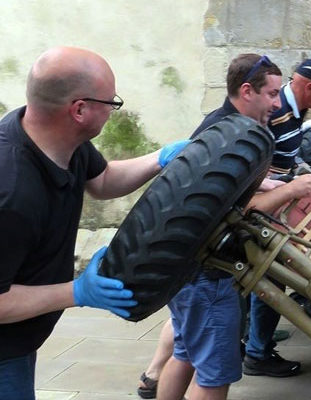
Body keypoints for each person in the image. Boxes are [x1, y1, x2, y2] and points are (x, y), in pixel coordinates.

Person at [0, 46, 189, 399]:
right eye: (111, 102)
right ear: (79, 110)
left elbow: (101, 181)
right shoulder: (11, 191)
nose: (114, 110)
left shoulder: (55, 136)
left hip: (21, 338)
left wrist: (161, 158)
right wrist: (77, 292)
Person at [155, 53, 311, 400]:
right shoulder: (236, 137)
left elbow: (217, 186)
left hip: (181, 263)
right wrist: (292, 188)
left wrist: (266, 182)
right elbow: (240, 209)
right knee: (214, 374)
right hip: (206, 272)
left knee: (185, 353)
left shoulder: (219, 124)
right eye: (272, 94)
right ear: (247, 91)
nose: (277, 104)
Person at [240, 58, 311, 379]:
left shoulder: (295, 114)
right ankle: (257, 352)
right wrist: (287, 183)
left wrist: (301, 168)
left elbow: (285, 154)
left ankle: (254, 339)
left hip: (272, 204)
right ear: (309, 87)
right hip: (261, 207)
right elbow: (251, 165)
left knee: (264, 277)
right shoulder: (274, 111)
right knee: (270, 278)